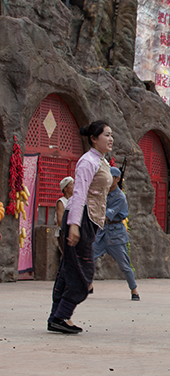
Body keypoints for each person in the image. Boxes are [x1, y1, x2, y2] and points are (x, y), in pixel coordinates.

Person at [48, 121, 113, 334]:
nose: (110, 139)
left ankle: (56, 317)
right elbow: (79, 194)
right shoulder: (88, 161)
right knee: (83, 273)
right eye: (106, 135)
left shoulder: (100, 161)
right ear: (94, 139)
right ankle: (61, 315)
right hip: (80, 219)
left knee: (67, 271)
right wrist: (74, 225)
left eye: (111, 135)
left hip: (89, 220)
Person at [92, 167, 139, 300]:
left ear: (117, 179)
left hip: (116, 234)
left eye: (110, 177)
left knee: (124, 264)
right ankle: (88, 285)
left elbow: (107, 215)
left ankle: (134, 290)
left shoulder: (120, 197)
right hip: (102, 232)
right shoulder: (103, 192)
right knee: (89, 257)